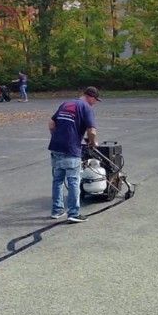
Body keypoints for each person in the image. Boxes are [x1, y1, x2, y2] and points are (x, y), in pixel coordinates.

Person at [47, 86, 101, 223]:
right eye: (95, 100)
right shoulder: (86, 107)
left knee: (58, 180)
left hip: (55, 147)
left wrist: (58, 137)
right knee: (73, 181)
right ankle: (74, 213)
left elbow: (51, 123)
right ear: (91, 97)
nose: (95, 103)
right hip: (71, 149)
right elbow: (92, 131)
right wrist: (92, 142)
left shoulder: (66, 103)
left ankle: (57, 210)